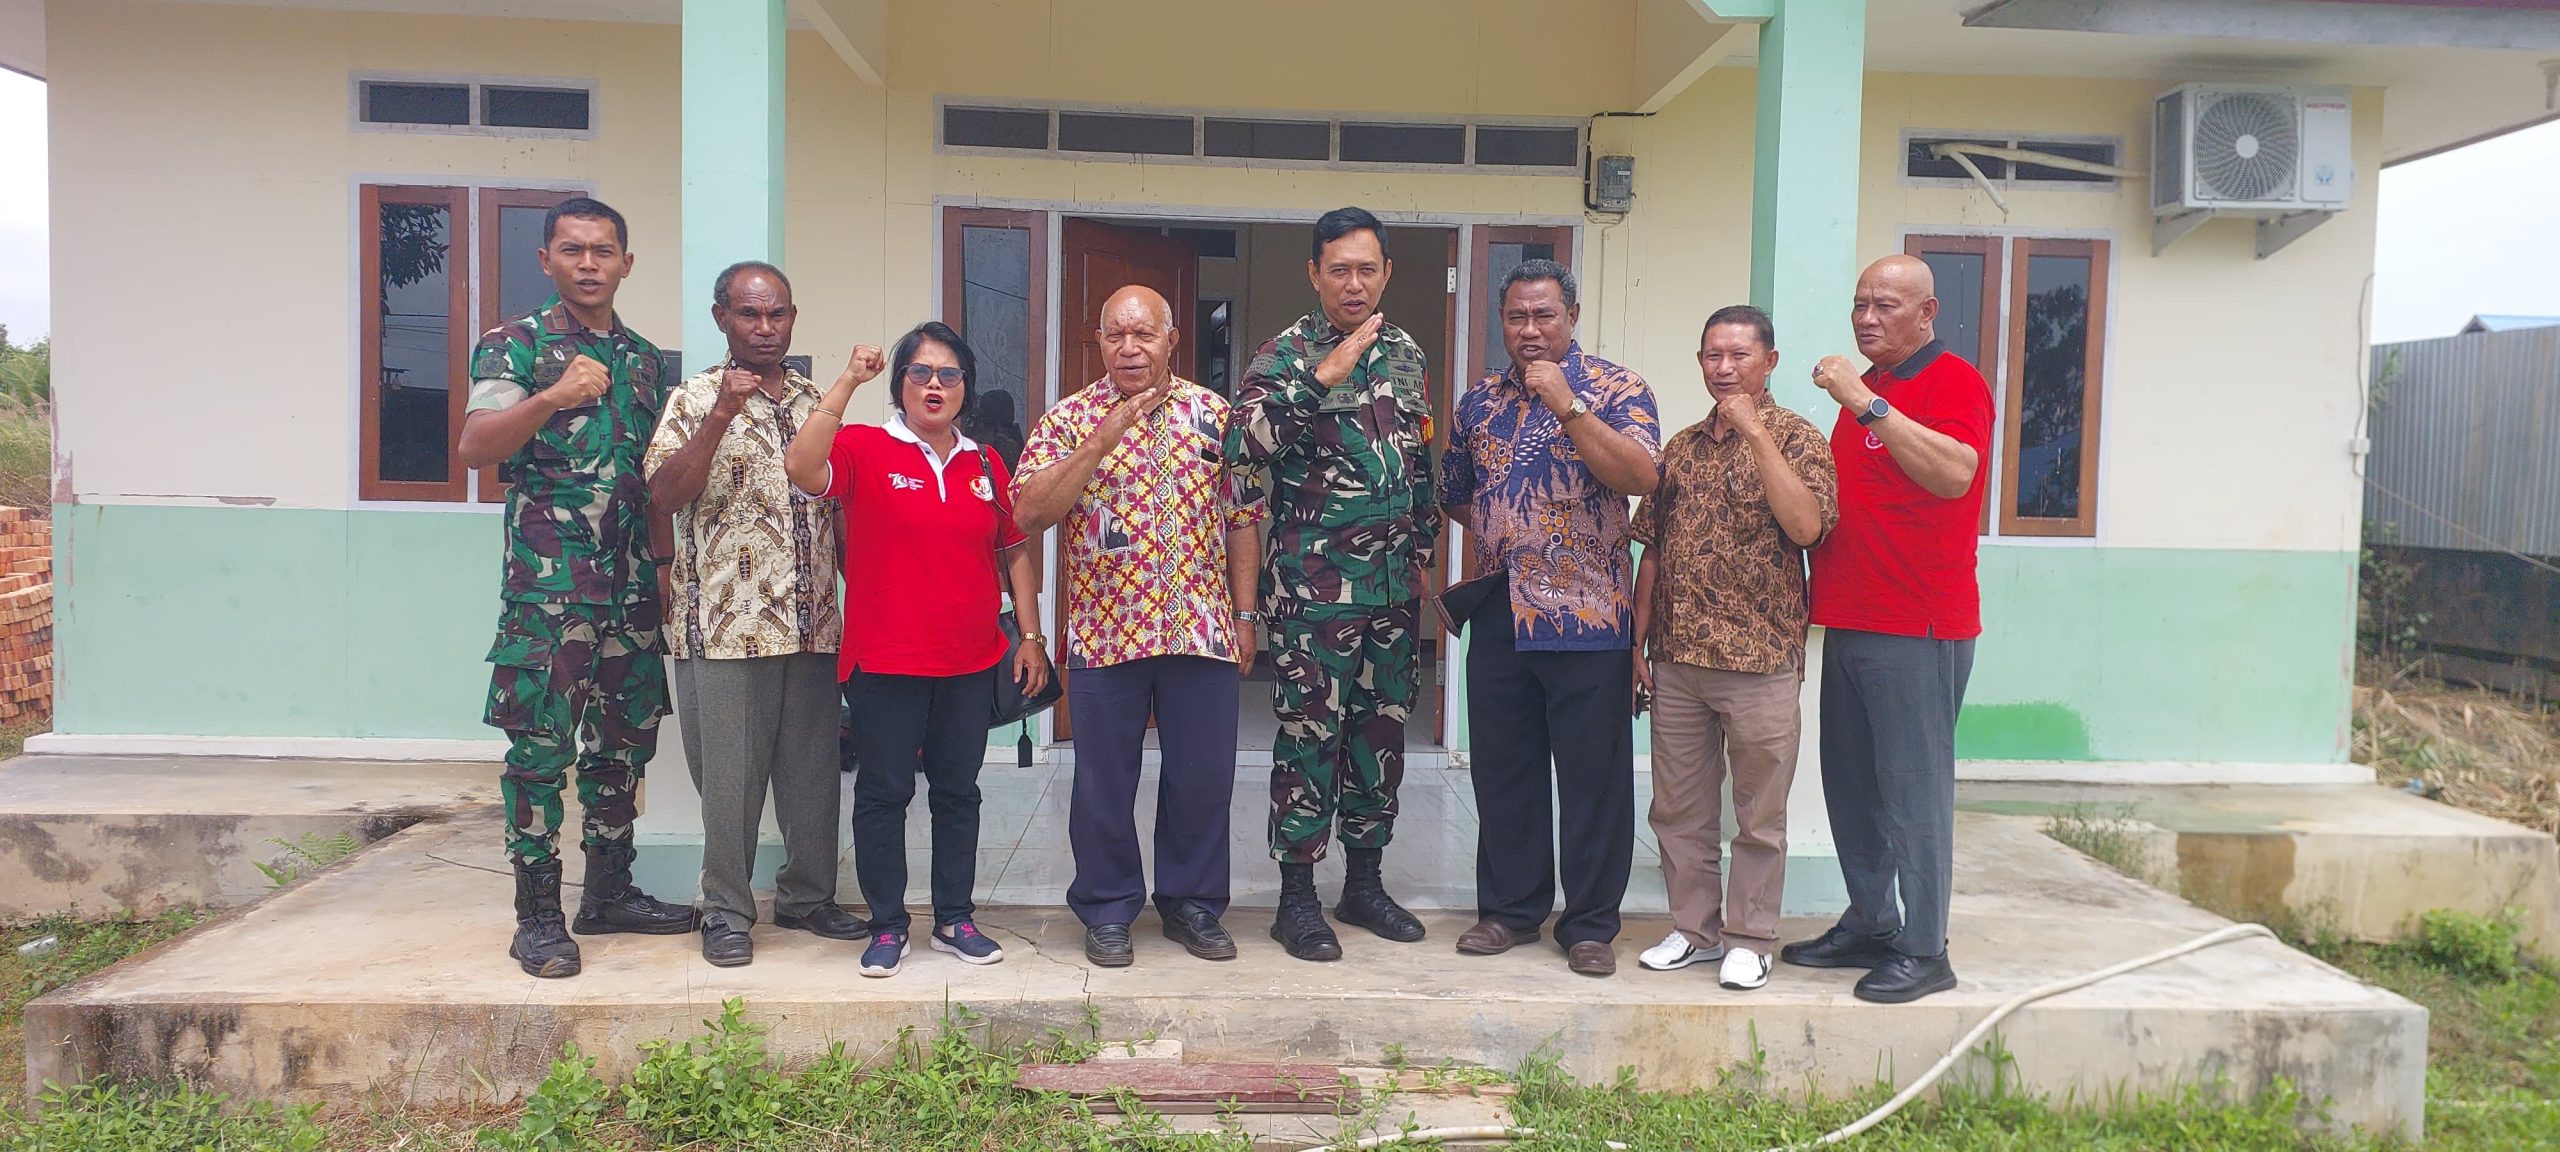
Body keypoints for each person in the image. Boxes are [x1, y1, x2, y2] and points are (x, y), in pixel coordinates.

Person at [455, 196, 695, 978]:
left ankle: (610, 891)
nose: (588, 264)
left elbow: (656, 483)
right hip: (549, 595)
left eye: (603, 251)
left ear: (627, 262)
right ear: (547, 260)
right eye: (573, 250)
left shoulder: (645, 360)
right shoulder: (513, 347)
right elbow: (474, 447)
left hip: (629, 591)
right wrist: (552, 397)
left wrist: (663, 575)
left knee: (624, 746)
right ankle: (536, 915)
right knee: (540, 751)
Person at [785, 322, 1052, 978]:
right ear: (901, 383)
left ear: (966, 387)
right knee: (884, 791)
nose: (935, 385)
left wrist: (1032, 635)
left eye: (949, 374)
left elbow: (1013, 548)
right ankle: (888, 924)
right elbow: (800, 466)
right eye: (921, 373)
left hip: (968, 661)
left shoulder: (985, 463)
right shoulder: (866, 448)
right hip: (885, 661)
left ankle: (955, 919)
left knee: (958, 792)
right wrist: (848, 380)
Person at [1013, 285, 1266, 969]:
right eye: (1115, 335)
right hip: (1105, 633)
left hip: (1202, 630)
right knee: (1103, 781)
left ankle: (1192, 905)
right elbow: (1029, 513)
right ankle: (1106, 907)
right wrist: (1102, 439)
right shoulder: (1068, 420)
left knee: (1202, 777)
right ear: (1098, 342)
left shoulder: (1216, 415)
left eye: (1143, 335)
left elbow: (1244, 521)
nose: (1130, 348)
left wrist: (1245, 618)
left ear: (1171, 339)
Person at [1779, 255, 1993, 1005]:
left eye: (1887, 305)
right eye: (1861, 304)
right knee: (1853, 787)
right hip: (1849, 615)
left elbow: (1956, 472)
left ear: (1928, 313)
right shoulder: (1875, 389)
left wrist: (1866, 404)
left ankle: (1926, 948)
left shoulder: (1950, 383)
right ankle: (1873, 921)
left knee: (1912, 793)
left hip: (1918, 624)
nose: (1868, 317)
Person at [1227, 207, 1439, 962]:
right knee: (1311, 737)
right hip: (1314, 594)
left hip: (1389, 594)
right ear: (1314, 273)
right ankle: (1296, 900)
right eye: (1339, 269)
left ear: (1387, 272)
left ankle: (1366, 884)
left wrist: (1422, 542)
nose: (1355, 283)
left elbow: (1416, 461)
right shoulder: (1283, 354)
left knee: (1380, 736)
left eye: (1368, 268)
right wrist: (1321, 378)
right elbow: (1242, 449)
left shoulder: (1406, 353)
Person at [644, 261, 868, 968]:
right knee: (730, 783)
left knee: (811, 774)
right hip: (725, 627)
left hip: (810, 622)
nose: (764, 329)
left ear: (792, 318)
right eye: (748, 315)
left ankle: (806, 897)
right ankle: (727, 910)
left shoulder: (816, 401)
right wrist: (720, 417)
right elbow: (665, 495)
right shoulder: (693, 398)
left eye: (776, 315)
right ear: (722, 320)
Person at [1441, 259, 1661, 978]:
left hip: (1590, 614)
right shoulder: (1477, 402)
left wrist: (1569, 404)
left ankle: (1591, 924)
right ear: (1501, 321)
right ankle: (1509, 911)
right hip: (1504, 609)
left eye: (1544, 316)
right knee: (1504, 770)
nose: (1530, 331)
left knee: (1593, 777)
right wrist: (1520, 531)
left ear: (1571, 315)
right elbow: (1456, 491)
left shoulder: (1620, 389)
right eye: (1516, 317)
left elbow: (1638, 477)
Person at [1630, 305, 1838, 991]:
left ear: (1768, 362)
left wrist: (1756, 434)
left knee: (1758, 815)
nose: (1724, 368)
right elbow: (1653, 550)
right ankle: (1694, 930)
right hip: (1679, 657)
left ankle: (1751, 937)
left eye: (1739, 355)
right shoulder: (1682, 447)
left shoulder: (1801, 440)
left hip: (1762, 663)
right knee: (1678, 810)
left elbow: (1807, 528)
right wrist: (1638, 641)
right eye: (1712, 355)